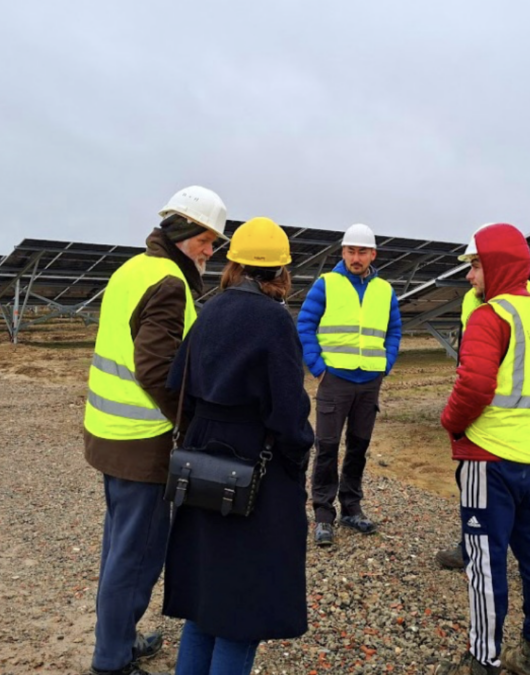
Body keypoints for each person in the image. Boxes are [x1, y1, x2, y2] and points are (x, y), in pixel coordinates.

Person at [83, 186, 228, 675]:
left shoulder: (132, 268)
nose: (210, 252)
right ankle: (112, 661)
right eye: (206, 241)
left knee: (118, 548)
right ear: (184, 233)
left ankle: (119, 640)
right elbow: (154, 368)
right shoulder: (168, 282)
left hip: (108, 432)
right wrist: (190, 424)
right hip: (141, 442)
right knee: (137, 556)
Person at [163, 217, 314, 675]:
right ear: (281, 272)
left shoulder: (209, 310)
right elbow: (288, 414)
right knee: (242, 612)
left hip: (201, 463)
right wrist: (297, 459)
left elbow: (177, 383)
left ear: (234, 265)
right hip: (255, 470)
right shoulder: (274, 320)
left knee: (205, 601)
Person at [435, 223, 530, 675]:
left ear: (497, 265)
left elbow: (473, 386)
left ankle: (482, 660)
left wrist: (450, 424)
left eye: (475, 266)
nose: (470, 277)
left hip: (488, 459)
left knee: (485, 563)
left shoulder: (490, 317)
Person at [296, 223, 403, 547]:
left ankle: (351, 508)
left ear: (373, 254)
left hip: (369, 380)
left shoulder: (385, 290)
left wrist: (386, 363)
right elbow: (305, 324)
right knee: (327, 446)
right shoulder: (326, 284)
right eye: (351, 251)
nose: (356, 258)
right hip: (335, 380)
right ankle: (323, 514)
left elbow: (394, 330)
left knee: (358, 446)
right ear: (343, 252)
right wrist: (318, 367)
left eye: (362, 252)